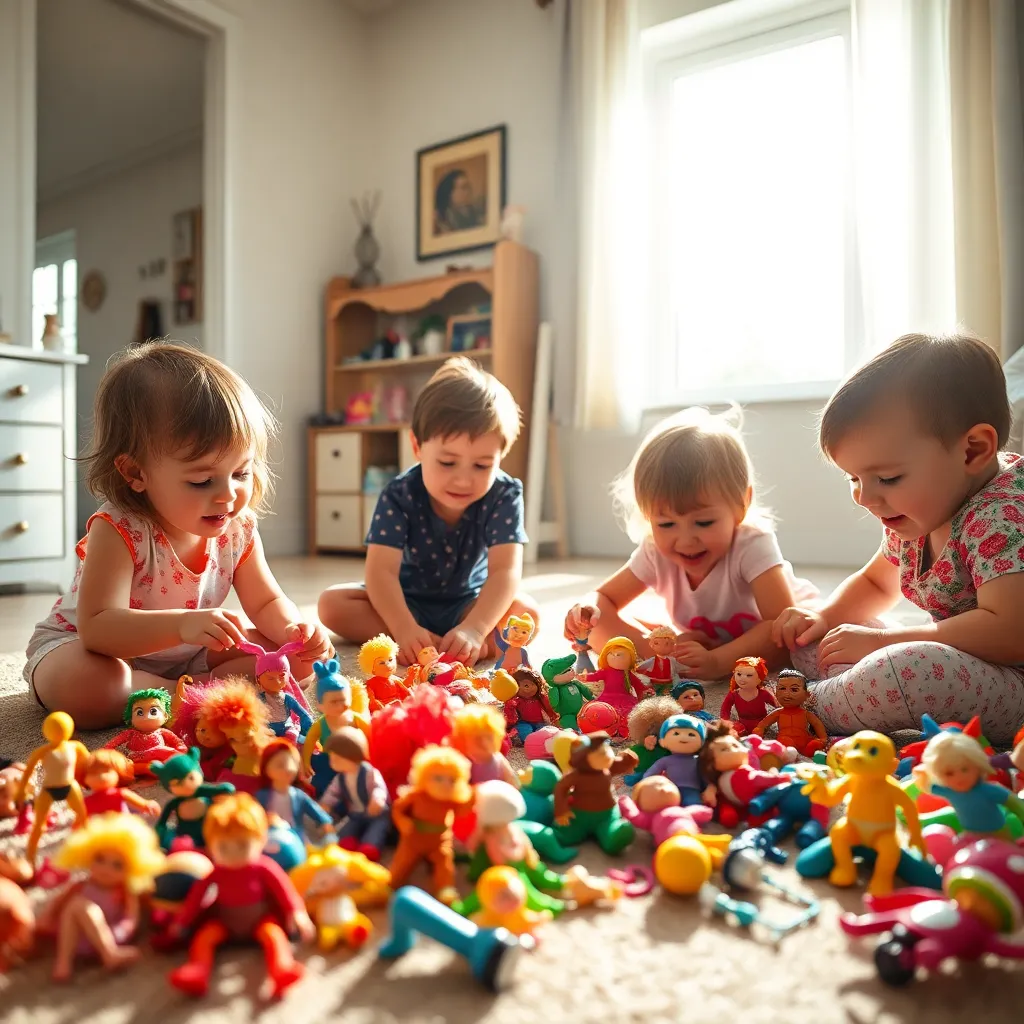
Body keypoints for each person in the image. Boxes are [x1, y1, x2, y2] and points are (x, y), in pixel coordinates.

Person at [23, 342, 332, 730]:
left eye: (241, 473)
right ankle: (178, 694)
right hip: (97, 653)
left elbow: (267, 600)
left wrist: (294, 630)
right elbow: (99, 628)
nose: (228, 494)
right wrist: (181, 624)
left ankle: (174, 693)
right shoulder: (119, 528)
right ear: (135, 473)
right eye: (202, 480)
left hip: (191, 653)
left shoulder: (238, 527)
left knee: (295, 661)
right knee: (89, 689)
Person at [773, 333, 1024, 744]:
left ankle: (803, 702)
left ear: (972, 451)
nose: (865, 497)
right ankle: (849, 682)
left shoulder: (1003, 516)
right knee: (819, 637)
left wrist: (883, 642)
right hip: (962, 660)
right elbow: (876, 582)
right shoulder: (922, 508)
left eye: (887, 478)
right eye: (854, 478)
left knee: (909, 669)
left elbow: (1009, 632)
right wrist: (825, 618)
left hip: (1013, 680)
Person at [565, 407, 815, 680]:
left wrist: (719, 661)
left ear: (742, 505)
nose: (686, 541)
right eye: (666, 524)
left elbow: (777, 627)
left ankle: (697, 656)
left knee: (798, 641)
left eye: (704, 523)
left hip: (790, 628)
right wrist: (586, 611)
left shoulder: (752, 544)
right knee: (597, 624)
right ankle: (658, 659)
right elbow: (605, 598)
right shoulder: (654, 551)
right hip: (703, 639)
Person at [319, 357, 538, 667]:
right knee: (331, 604)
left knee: (526, 614)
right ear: (418, 447)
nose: (463, 479)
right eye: (448, 463)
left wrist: (476, 628)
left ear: (501, 456)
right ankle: (417, 641)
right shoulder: (399, 494)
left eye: (482, 465)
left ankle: (466, 645)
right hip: (402, 601)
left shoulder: (504, 494)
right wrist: (403, 627)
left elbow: (505, 572)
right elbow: (380, 573)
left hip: (468, 604)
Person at [434, 169, 485, 234]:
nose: (468, 191)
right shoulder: (441, 220)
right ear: (450, 193)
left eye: (469, 187)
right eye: (464, 187)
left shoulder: (476, 214)